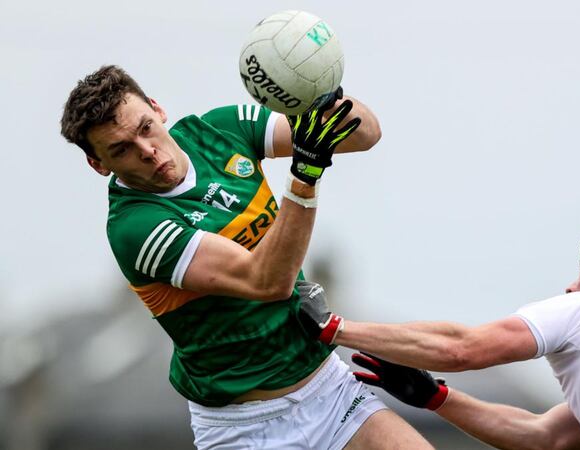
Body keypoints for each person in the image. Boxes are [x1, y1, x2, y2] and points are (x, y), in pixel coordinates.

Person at [59, 65, 432, 449]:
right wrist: (304, 174)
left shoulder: (221, 130)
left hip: (329, 390)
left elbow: (365, 135)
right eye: (122, 149)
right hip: (245, 428)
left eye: (145, 128)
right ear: (99, 164)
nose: (148, 152)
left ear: (158, 109)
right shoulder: (135, 226)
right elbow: (267, 282)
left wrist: (324, 97)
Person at [297, 208, 580, 450]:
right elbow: (544, 437)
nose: (571, 285)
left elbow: (464, 349)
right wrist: (435, 397)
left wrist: (332, 327)